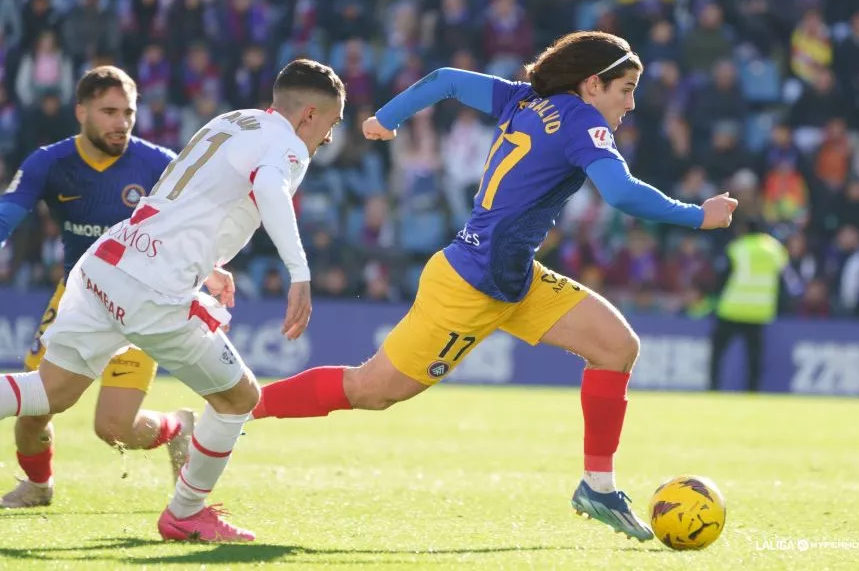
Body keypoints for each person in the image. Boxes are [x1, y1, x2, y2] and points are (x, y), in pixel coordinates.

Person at [250, 31, 737, 541]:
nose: (631, 104)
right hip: (469, 286)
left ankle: (597, 486)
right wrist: (697, 215)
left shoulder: (522, 97)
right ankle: (244, 405)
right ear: (593, 84)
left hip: (513, 278)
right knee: (370, 390)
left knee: (616, 347)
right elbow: (620, 193)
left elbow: (446, 81)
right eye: (626, 89)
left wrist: (386, 118)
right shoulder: (583, 122)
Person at [0, 58, 345, 542]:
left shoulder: (232, 121)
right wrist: (300, 274)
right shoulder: (287, 145)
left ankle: (183, 504)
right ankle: (185, 513)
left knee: (51, 391)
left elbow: (188, 201)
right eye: (331, 123)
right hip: (153, 291)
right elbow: (269, 187)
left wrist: (208, 265)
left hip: (107, 262)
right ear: (309, 114)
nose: (328, 136)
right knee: (239, 398)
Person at [0, 66, 194, 509]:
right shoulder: (49, 162)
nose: (121, 123)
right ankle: (39, 485)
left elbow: (197, 225)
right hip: (76, 300)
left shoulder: (159, 164)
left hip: (140, 307)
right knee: (33, 413)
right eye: (109, 112)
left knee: (114, 429)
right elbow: (8, 213)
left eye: (128, 113)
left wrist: (214, 269)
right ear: (81, 112)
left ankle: (179, 427)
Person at [709, 218, 787, 391]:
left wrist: (715, 297)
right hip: (759, 310)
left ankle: (713, 387)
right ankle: (752, 390)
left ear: (744, 229)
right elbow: (785, 281)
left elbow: (723, 276)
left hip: (732, 308)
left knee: (718, 351)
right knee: (754, 357)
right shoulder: (775, 249)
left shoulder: (737, 247)